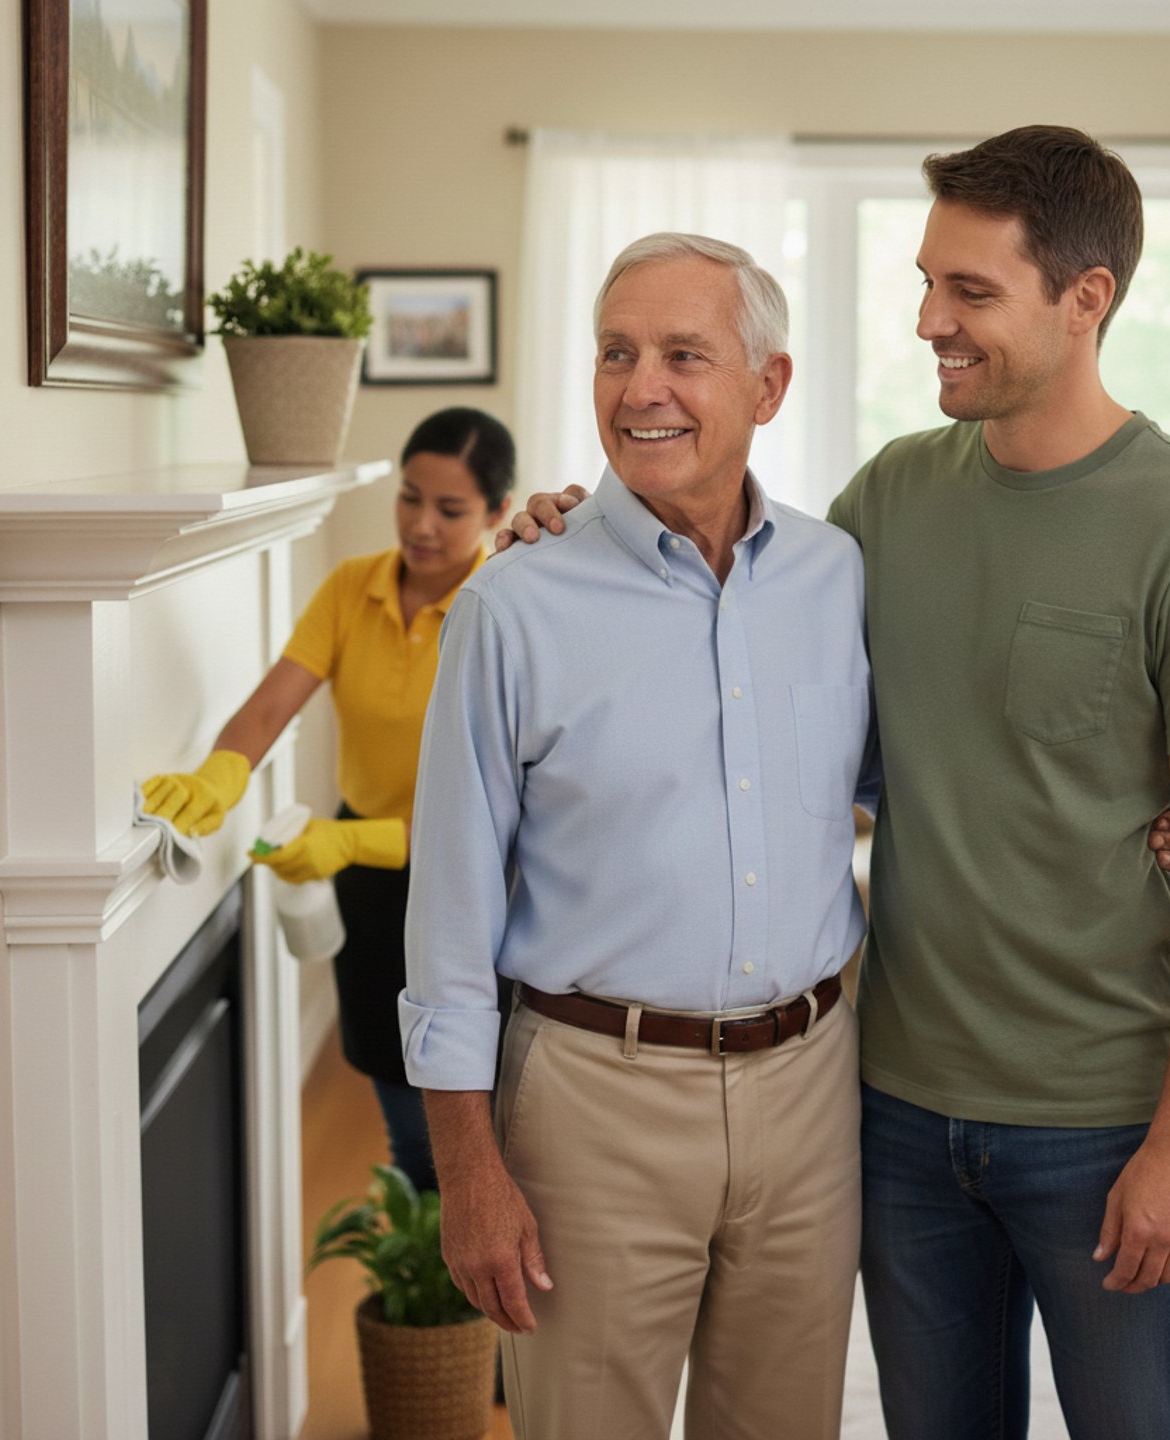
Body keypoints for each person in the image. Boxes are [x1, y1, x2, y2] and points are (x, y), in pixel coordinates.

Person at [504, 128, 1170, 1440]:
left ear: (1084, 300)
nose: (930, 320)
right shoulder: (890, 500)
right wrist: (583, 533)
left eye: (970, 293)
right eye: (929, 283)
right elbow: (743, 650)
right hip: (896, 1110)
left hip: (1102, 1122)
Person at [400, 234, 874, 1440]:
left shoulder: (838, 576)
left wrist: (1159, 814)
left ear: (767, 387)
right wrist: (469, 1178)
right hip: (590, 1107)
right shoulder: (513, 604)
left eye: (682, 355)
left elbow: (932, 785)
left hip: (813, 1091)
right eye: (616, 353)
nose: (639, 387)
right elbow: (446, 924)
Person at [140, 407, 514, 1194]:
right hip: (373, 887)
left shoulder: (504, 609)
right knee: (407, 1126)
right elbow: (271, 707)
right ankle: (441, 1307)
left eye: (450, 511)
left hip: (475, 884)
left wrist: (348, 842)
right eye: (410, 497)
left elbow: (502, 799)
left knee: (485, 1126)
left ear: (497, 514)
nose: (421, 525)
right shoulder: (353, 589)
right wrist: (219, 774)